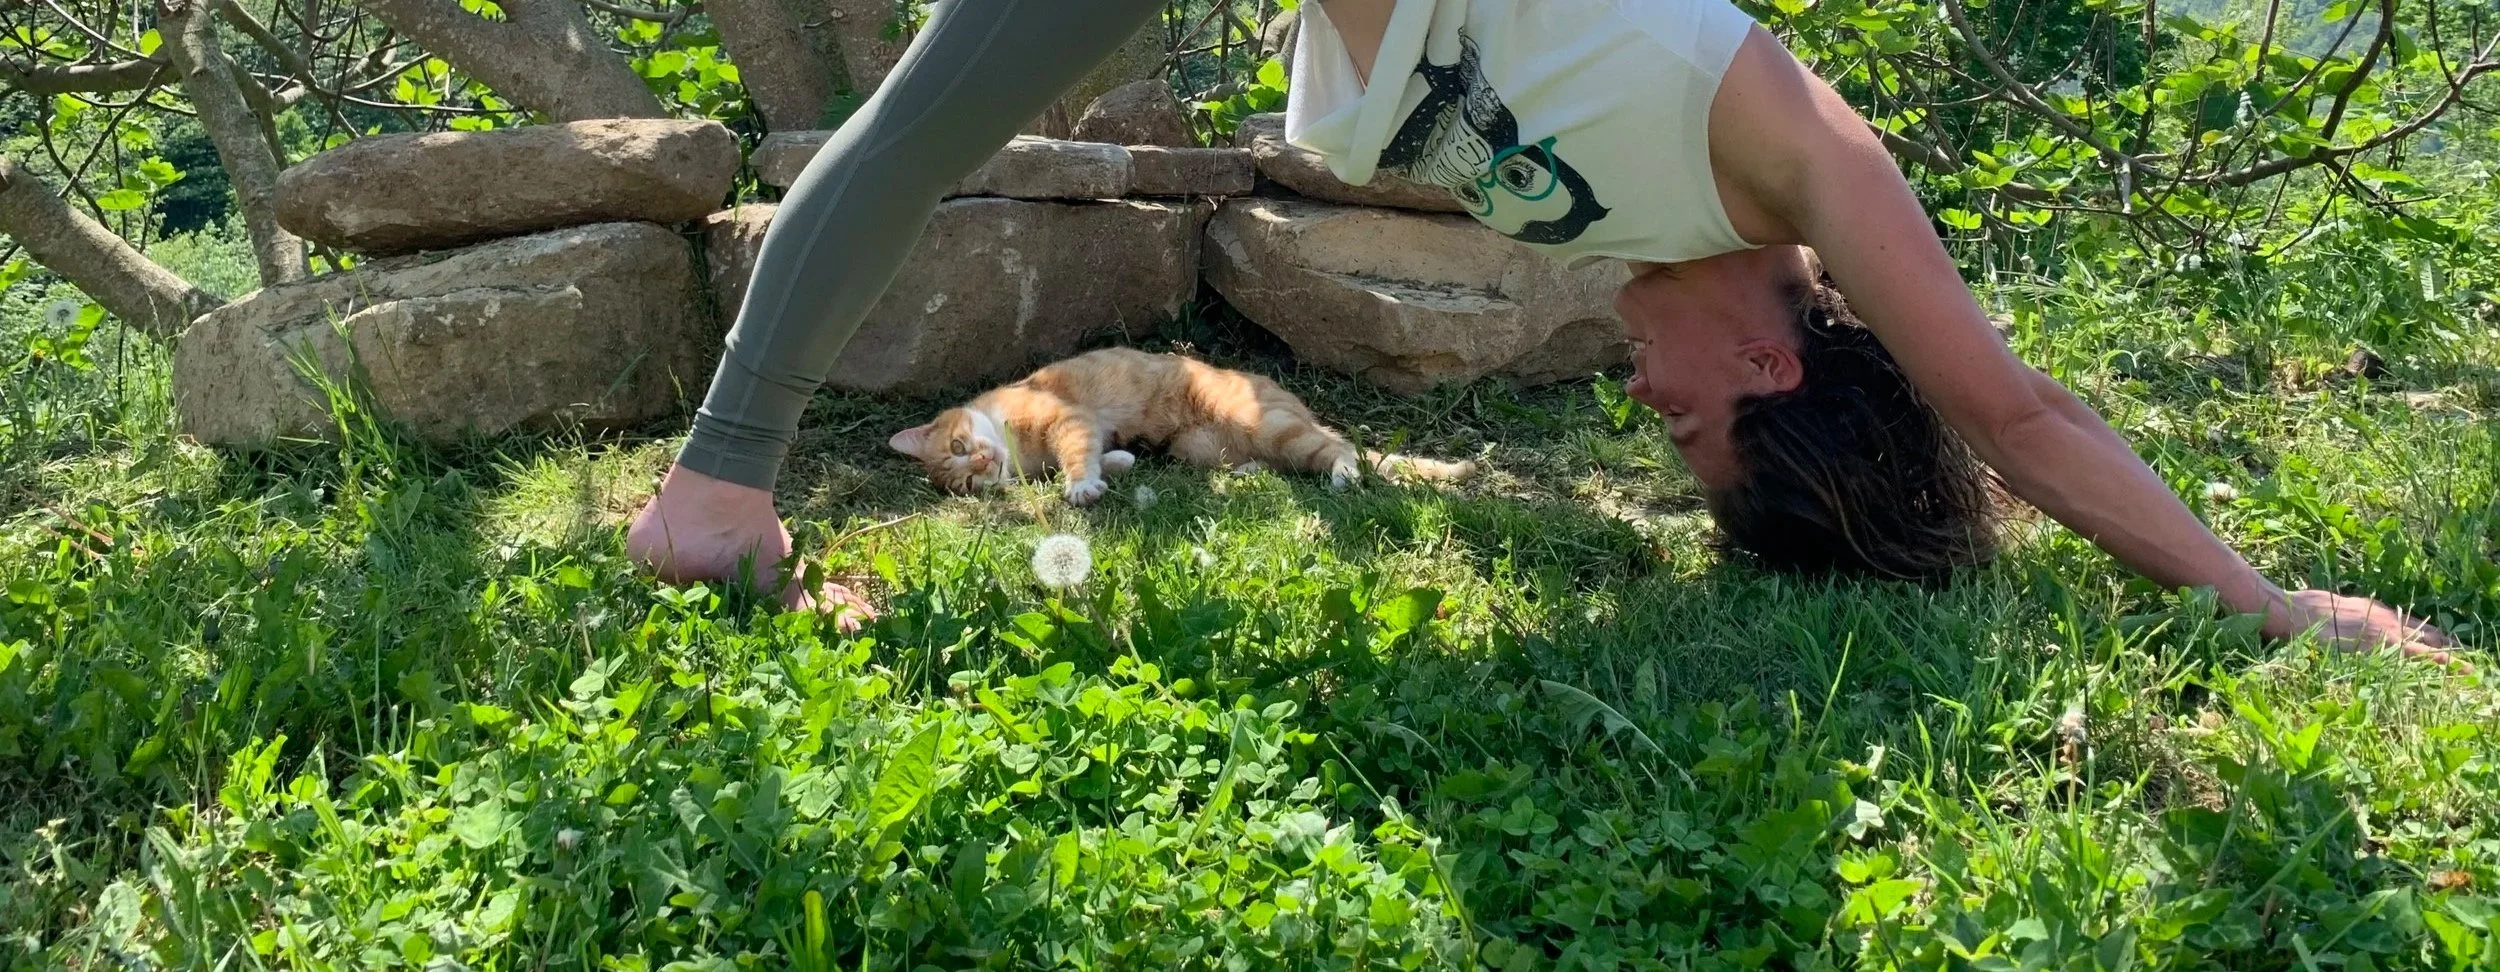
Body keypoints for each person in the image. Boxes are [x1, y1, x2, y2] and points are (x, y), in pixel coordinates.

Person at [628, 0, 2461, 664]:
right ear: (1774, 364)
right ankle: (716, 493)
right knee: (925, 122)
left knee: (933, 118)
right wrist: (2272, 604)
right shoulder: (1806, 163)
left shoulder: (1641, 225)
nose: (1641, 400)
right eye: (1690, 424)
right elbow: (2013, 411)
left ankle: (717, 495)